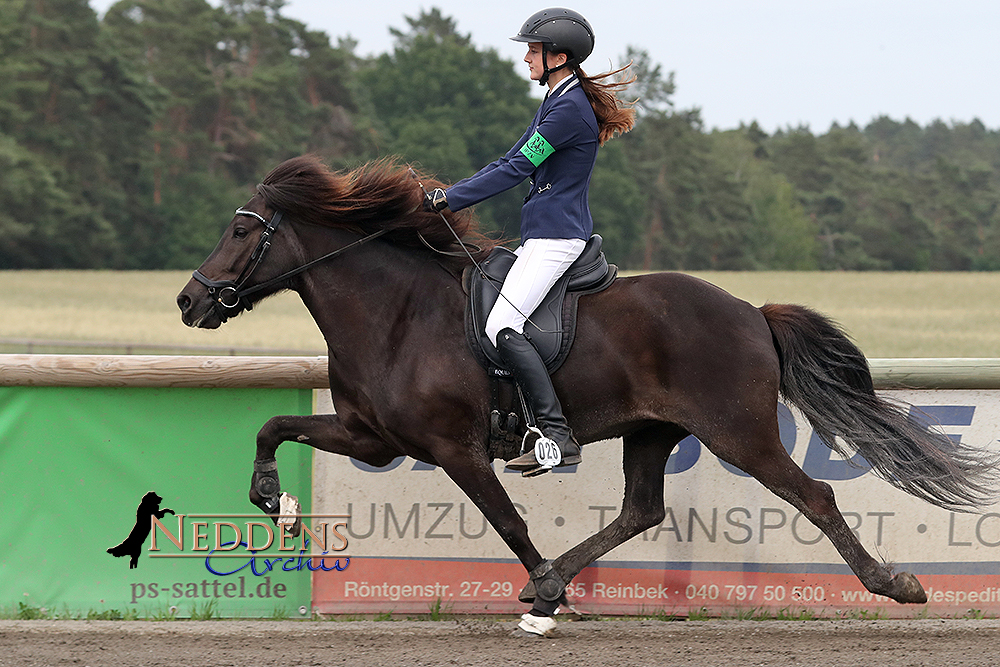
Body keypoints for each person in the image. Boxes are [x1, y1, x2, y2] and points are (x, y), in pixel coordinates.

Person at [425, 8, 635, 476]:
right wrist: (449, 192)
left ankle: (557, 434)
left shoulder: (568, 109)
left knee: (503, 326)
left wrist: (450, 199)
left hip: (557, 237)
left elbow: (517, 167)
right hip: (541, 233)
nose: (525, 58)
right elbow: (508, 158)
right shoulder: (557, 100)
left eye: (532, 50)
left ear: (558, 56)